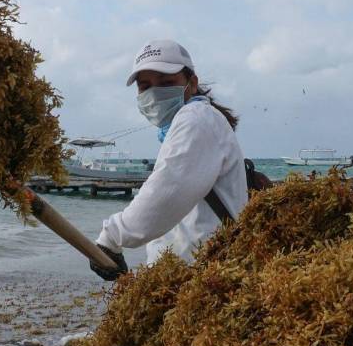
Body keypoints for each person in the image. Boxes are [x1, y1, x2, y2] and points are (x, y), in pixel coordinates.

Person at [90, 39, 248, 280]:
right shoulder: (185, 125)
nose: (155, 93)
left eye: (166, 83)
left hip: (208, 279)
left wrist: (111, 238)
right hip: (191, 275)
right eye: (145, 86)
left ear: (192, 83)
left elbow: (164, 195)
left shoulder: (196, 119)